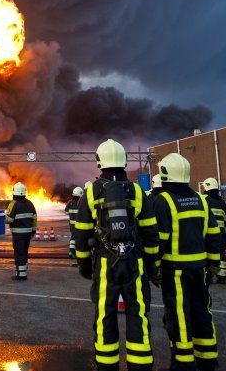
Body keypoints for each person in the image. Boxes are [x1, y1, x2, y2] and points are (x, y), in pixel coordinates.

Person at [74, 139, 160, 371]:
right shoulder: (138, 192)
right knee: (138, 313)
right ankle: (140, 365)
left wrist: (84, 265)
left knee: (105, 314)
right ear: (123, 161)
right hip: (135, 262)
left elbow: (81, 235)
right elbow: (151, 233)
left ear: (100, 161)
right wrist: (152, 267)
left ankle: (106, 365)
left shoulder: (91, 193)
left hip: (105, 263)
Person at [155, 154, 221, 370]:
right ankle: (208, 360)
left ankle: (183, 363)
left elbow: (160, 240)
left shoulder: (163, 201)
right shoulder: (201, 200)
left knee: (179, 314)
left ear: (165, 173)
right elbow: (213, 234)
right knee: (202, 310)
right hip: (200, 269)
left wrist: (153, 266)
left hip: (175, 270)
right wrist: (214, 263)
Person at [5, 182, 37, 281]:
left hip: (18, 234)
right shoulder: (30, 203)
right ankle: (22, 272)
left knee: (19, 253)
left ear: (14, 193)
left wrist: (4, 217)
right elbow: (34, 218)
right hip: (28, 234)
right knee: (24, 252)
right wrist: (33, 231)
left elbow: (9, 220)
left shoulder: (13, 203)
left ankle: (21, 275)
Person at [201, 178, 226, 284]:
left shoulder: (203, 199)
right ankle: (221, 276)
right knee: (221, 253)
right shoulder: (222, 202)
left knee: (206, 253)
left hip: (207, 232)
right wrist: (225, 232)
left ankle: (207, 275)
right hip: (220, 233)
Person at [65, 186, 83, 259]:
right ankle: (76, 252)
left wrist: (71, 214)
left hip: (72, 225)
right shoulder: (80, 203)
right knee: (78, 238)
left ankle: (71, 251)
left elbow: (66, 212)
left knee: (73, 237)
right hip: (79, 225)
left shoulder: (70, 202)